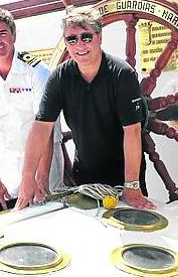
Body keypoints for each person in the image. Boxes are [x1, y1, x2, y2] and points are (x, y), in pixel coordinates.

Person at [15, 11, 155, 210]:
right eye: (71, 39)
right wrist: (29, 176)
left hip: (125, 176)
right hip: (84, 177)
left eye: (86, 37)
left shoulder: (122, 74)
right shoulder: (60, 77)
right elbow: (41, 128)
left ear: (99, 37)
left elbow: (132, 131)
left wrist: (132, 185)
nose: (79, 45)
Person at [0, 7, 64, 212]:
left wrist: (41, 179)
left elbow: (45, 130)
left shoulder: (37, 73)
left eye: (3, 33)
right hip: (8, 170)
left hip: (43, 165)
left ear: (14, 35)